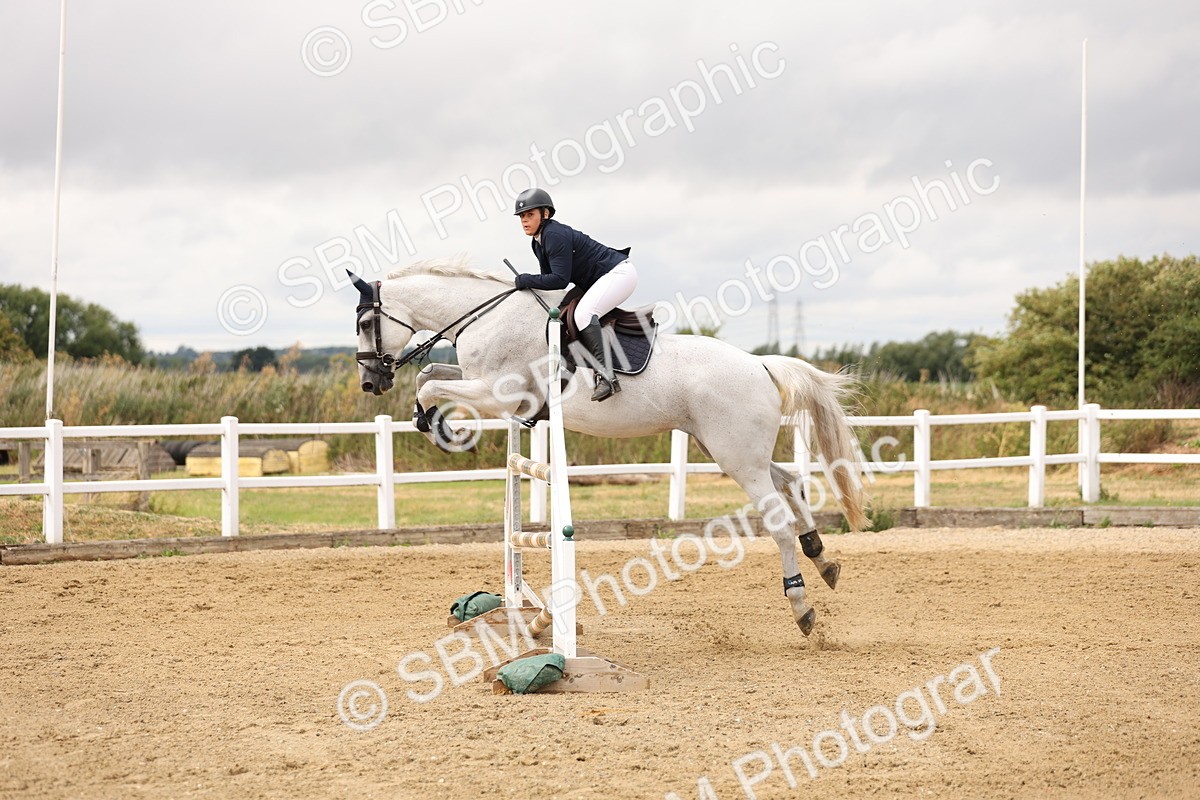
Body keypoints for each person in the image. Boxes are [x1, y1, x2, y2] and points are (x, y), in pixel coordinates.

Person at [512, 188, 637, 401]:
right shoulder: (538, 241)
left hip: (618, 274)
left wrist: (525, 279)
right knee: (561, 312)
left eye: (530, 214)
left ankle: (607, 377)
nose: (525, 220)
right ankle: (566, 363)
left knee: (583, 316)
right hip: (597, 279)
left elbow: (559, 279)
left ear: (545, 214)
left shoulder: (553, 235)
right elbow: (550, 281)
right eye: (522, 216)